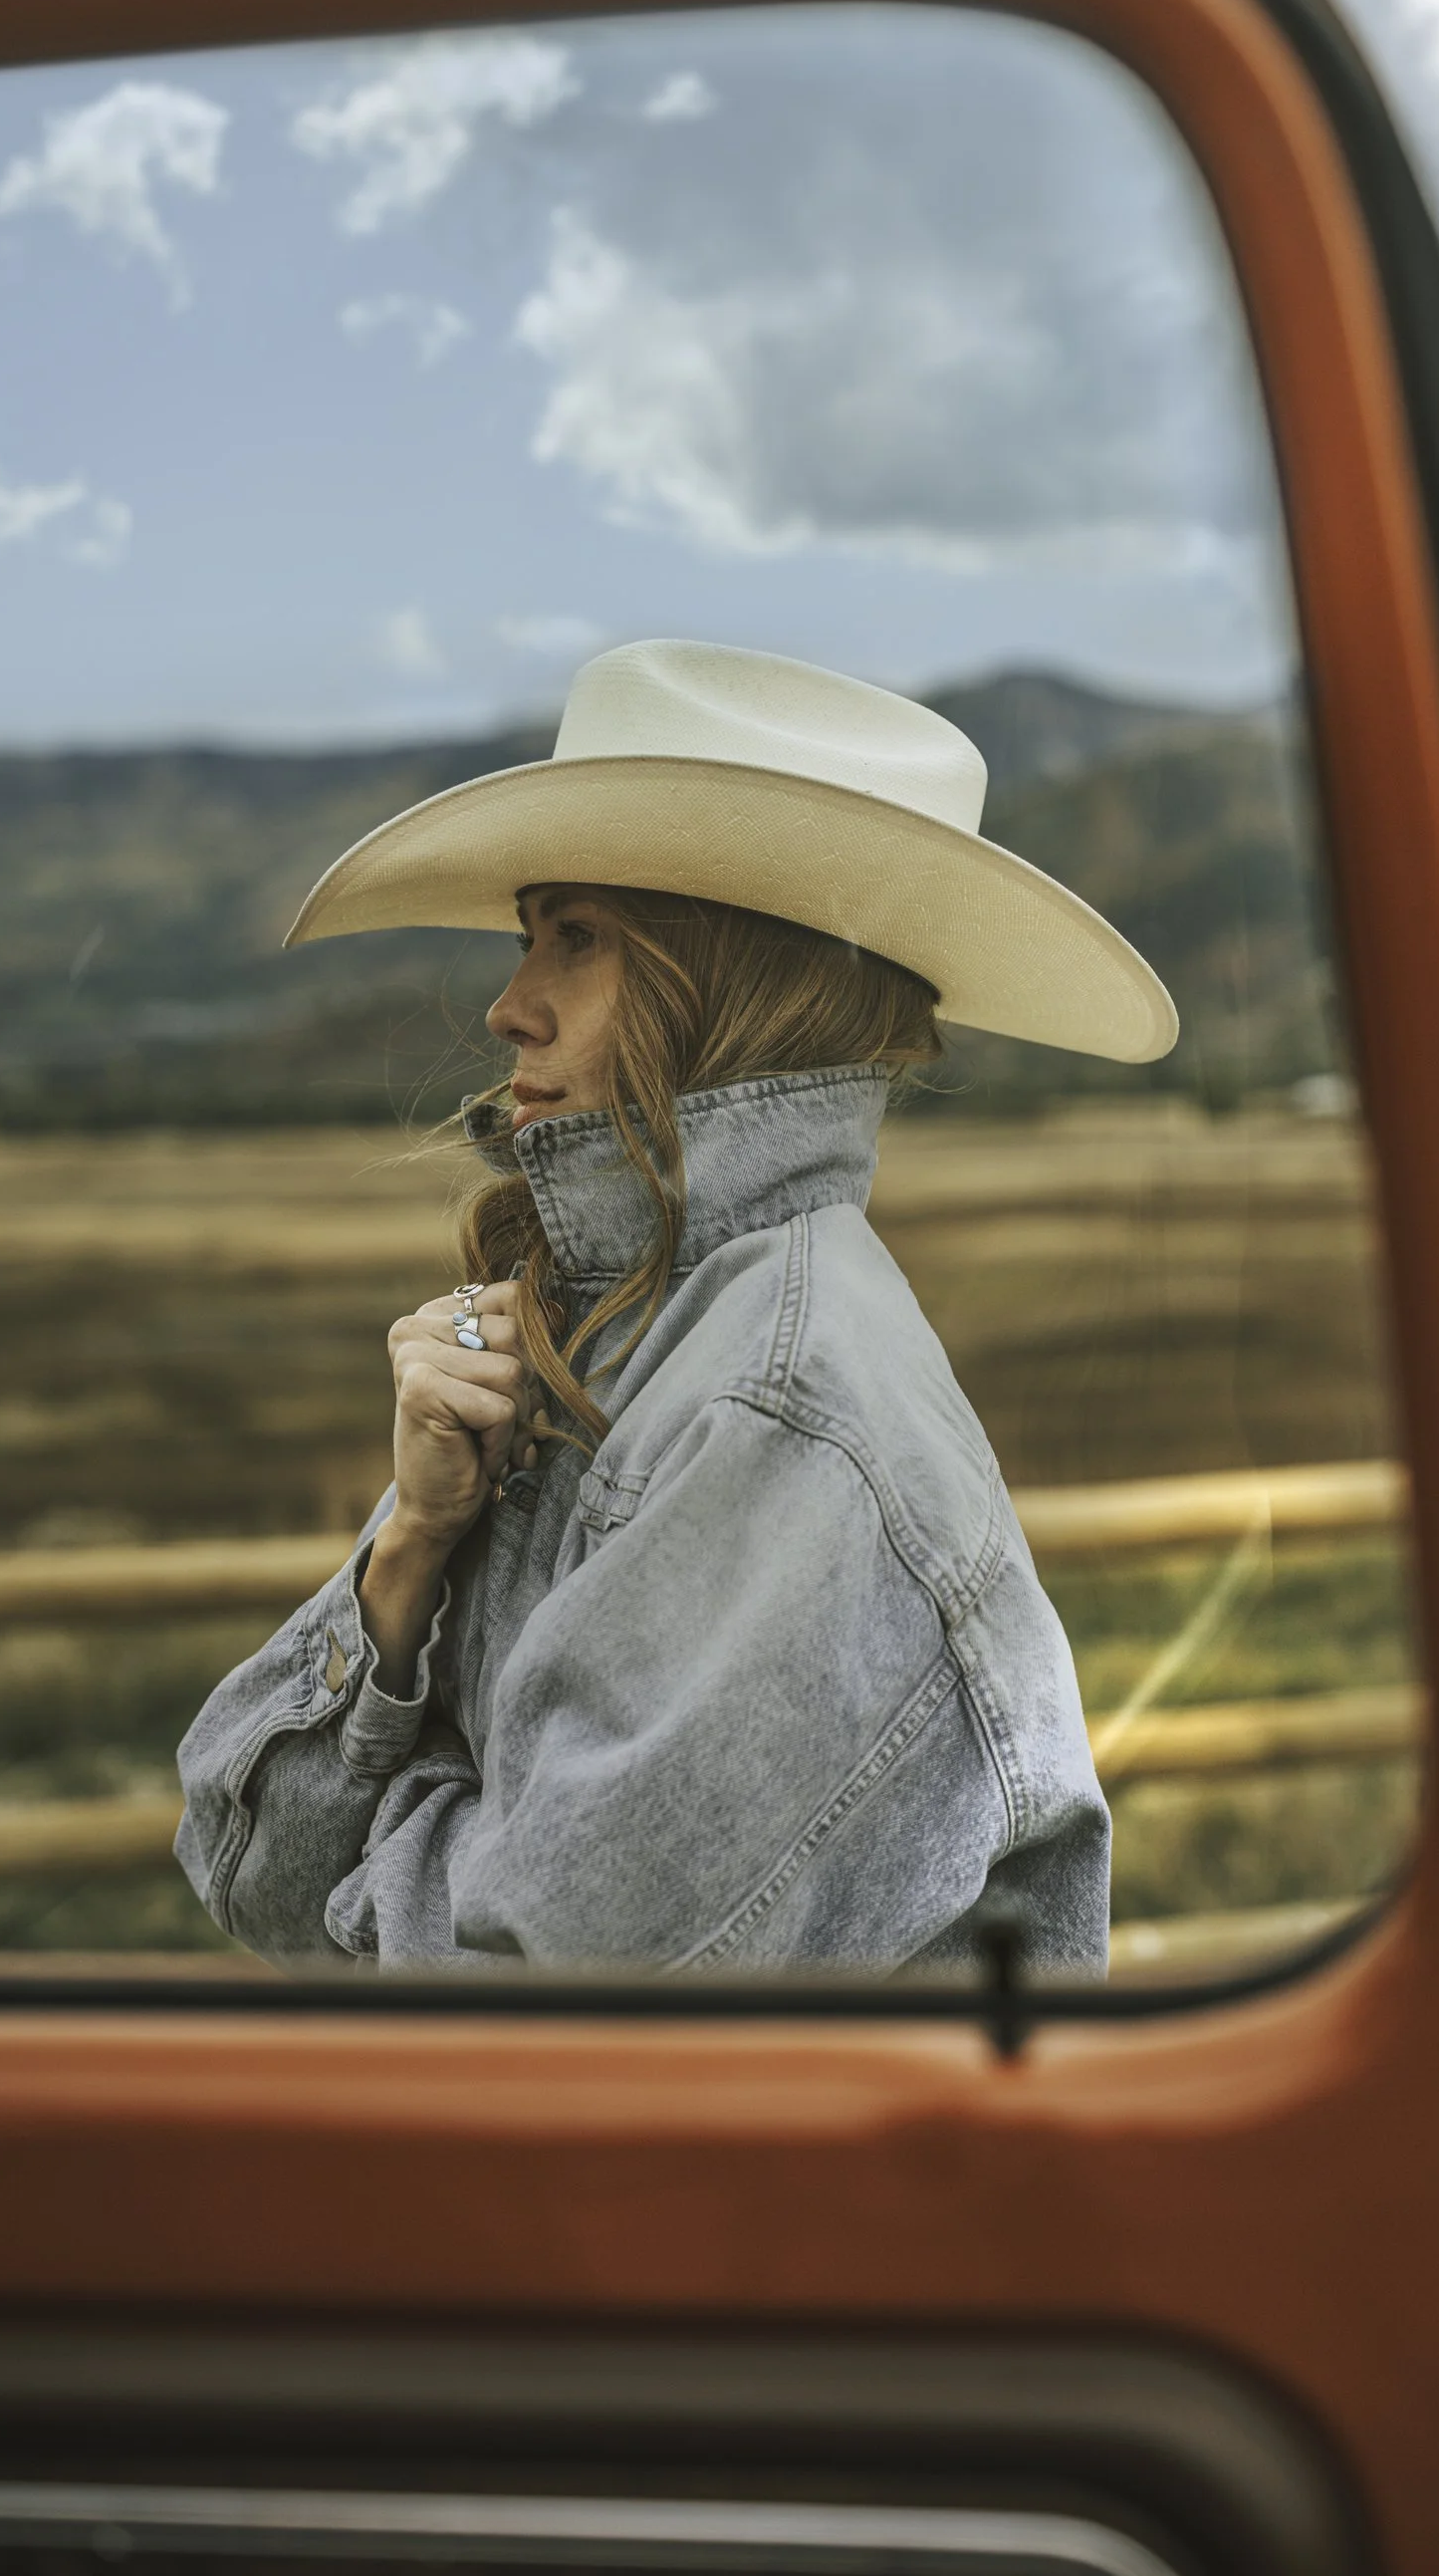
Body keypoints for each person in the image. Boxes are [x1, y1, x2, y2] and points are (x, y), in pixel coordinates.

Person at [175, 639, 1178, 1974]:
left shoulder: (781, 1405)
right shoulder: (617, 1329)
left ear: (731, 985)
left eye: (577, 939)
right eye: (529, 934)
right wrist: (417, 1539)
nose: (508, 1005)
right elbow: (244, 1853)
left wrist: (404, 1827)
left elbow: (528, 2000)